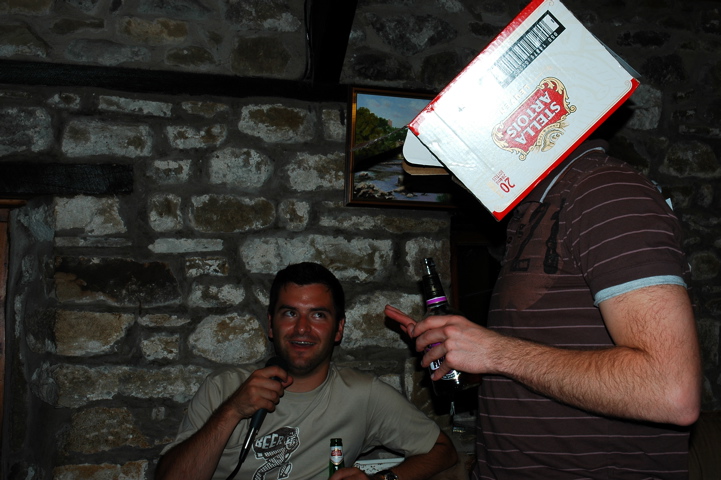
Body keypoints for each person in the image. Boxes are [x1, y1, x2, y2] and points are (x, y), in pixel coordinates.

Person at [385, 139, 702, 479]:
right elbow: (545, 358)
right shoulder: (535, 211)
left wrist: (495, 352)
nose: (457, 178)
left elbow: (669, 391)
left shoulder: (606, 191)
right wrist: (464, 348)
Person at [156, 262, 458, 480]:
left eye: (318, 315)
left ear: (338, 329)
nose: (302, 328)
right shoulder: (223, 387)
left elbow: (443, 450)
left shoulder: (363, 395)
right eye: (290, 313)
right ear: (271, 324)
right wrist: (232, 410)